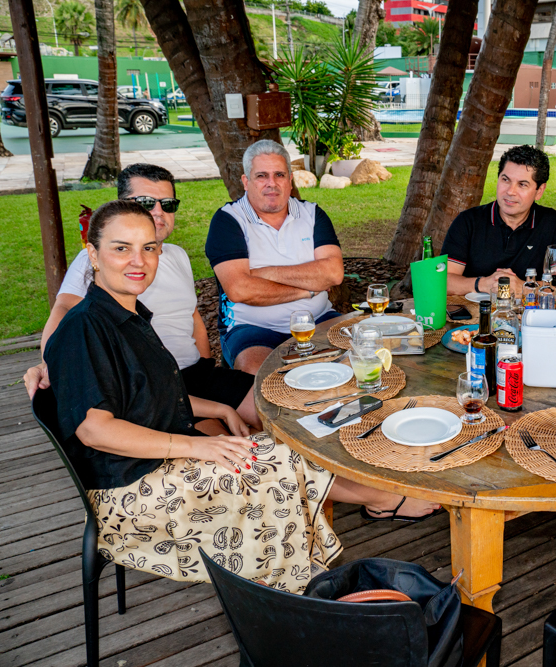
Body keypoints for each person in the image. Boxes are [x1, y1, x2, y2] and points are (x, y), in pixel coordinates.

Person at [41, 201, 442, 591]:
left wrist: (218, 408)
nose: (138, 261)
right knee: (274, 461)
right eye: (121, 248)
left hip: (157, 464)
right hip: (134, 495)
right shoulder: (85, 327)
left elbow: (151, 395)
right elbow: (95, 430)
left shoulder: (128, 315)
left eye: (148, 248)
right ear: (92, 254)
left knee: (285, 445)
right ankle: (290, 584)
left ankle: (300, 575)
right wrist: (201, 448)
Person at [23, 164, 259, 430]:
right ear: (123, 205)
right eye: (147, 202)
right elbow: (66, 308)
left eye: (167, 204)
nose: (159, 212)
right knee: (228, 446)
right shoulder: (102, 260)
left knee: (277, 411)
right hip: (147, 384)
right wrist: (50, 363)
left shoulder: (178, 255)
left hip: (196, 374)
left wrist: (206, 366)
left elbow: (191, 317)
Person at [206, 140, 345, 374]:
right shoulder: (228, 220)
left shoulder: (312, 214)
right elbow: (240, 290)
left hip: (318, 318)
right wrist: (307, 290)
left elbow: (333, 273)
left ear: (290, 180)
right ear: (246, 182)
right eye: (261, 176)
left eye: (279, 174)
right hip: (252, 328)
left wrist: (265, 273)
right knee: (262, 376)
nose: (272, 184)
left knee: (360, 353)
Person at [441, 145, 556, 297]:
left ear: (539, 191)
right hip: (476, 316)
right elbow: (444, 281)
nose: (510, 191)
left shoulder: (553, 224)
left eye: (522, 184)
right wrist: (484, 284)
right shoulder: (468, 222)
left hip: (532, 315)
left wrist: (524, 288)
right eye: (505, 180)